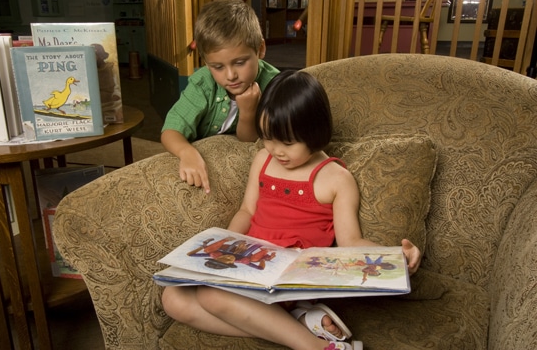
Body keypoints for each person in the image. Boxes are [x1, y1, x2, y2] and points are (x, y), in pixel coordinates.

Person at [161, 70, 422, 350]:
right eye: (268, 138)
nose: (276, 151)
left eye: (287, 143)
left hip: (289, 279)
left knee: (212, 298)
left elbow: (351, 242)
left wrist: (395, 256)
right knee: (172, 299)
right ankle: (298, 325)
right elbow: (247, 211)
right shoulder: (263, 159)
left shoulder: (335, 178)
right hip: (248, 265)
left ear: (314, 133)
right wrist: (223, 246)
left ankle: (315, 347)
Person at [160, 0, 280, 194]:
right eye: (217, 67)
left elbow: (248, 141)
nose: (231, 75)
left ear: (260, 49)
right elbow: (170, 131)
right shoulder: (202, 84)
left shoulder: (274, 85)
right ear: (206, 62)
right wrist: (186, 152)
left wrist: (248, 112)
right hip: (199, 155)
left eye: (240, 62)